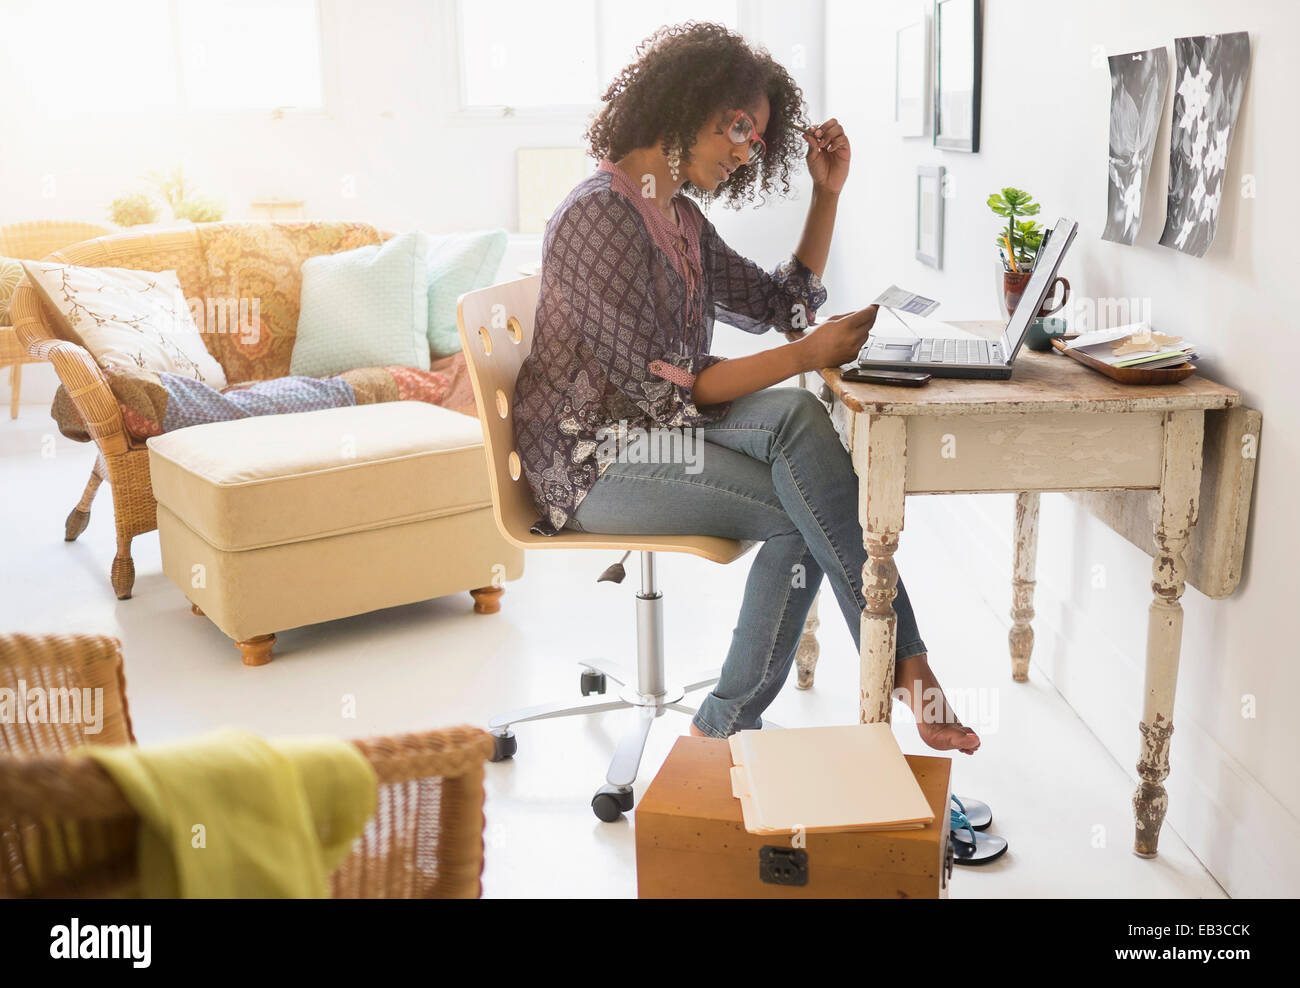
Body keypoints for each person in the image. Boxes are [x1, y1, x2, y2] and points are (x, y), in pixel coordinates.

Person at [511, 22, 979, 753]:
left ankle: (881, 674)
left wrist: (827, 195)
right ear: (682, 101)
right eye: (737, 126)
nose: (743, 151)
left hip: (658, 431)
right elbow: (667, 393)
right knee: (805, 508)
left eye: (756, 140)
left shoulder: (679, 219)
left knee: (796, 424)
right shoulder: (598, 218)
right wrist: (806, 353)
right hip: (590, 461)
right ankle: (759, 720)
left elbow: (781, 308)